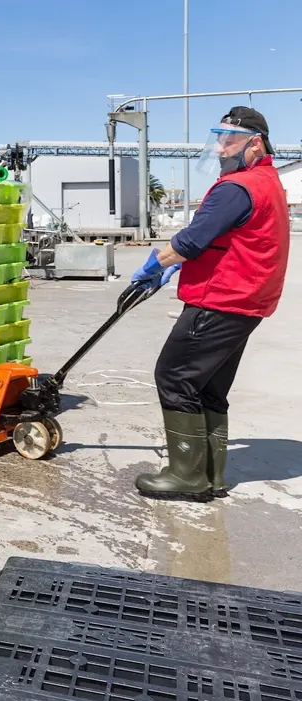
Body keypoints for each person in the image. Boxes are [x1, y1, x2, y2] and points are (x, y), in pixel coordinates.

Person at [132, 106, 289, 502]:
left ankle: (186, 476)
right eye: (218, 138)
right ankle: (212, 476)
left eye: (229, 139)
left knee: (174, 376)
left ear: (255, 143)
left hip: (221, 299)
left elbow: (192, 239)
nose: (220, 148)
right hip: (247, 302)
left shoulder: (239, 187)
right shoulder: (266, 181)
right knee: (208, 388)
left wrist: (155, 265)